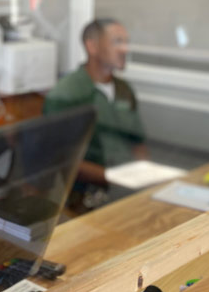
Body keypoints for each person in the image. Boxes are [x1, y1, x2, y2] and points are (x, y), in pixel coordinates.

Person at [42, 18, 146, 190]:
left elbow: (138, 142)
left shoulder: (124, 90)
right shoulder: (66, 95)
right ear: (92, 47)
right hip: (86, 196)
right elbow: (62, 160)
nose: (125, 49)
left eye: (126, 42)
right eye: (117, 42)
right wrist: (117, 179)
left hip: (126, 187)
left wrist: (143, 175)